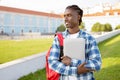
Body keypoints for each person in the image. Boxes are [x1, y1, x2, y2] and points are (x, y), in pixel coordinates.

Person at [48, 5, 102, 80]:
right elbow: (52, 63)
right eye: (64, 16)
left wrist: (72, 62)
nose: (65, 19)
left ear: (78, 17)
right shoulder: (58, 38)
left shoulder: (89, 39)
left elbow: (97, 64)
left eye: (69, 15)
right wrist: (76, 71)